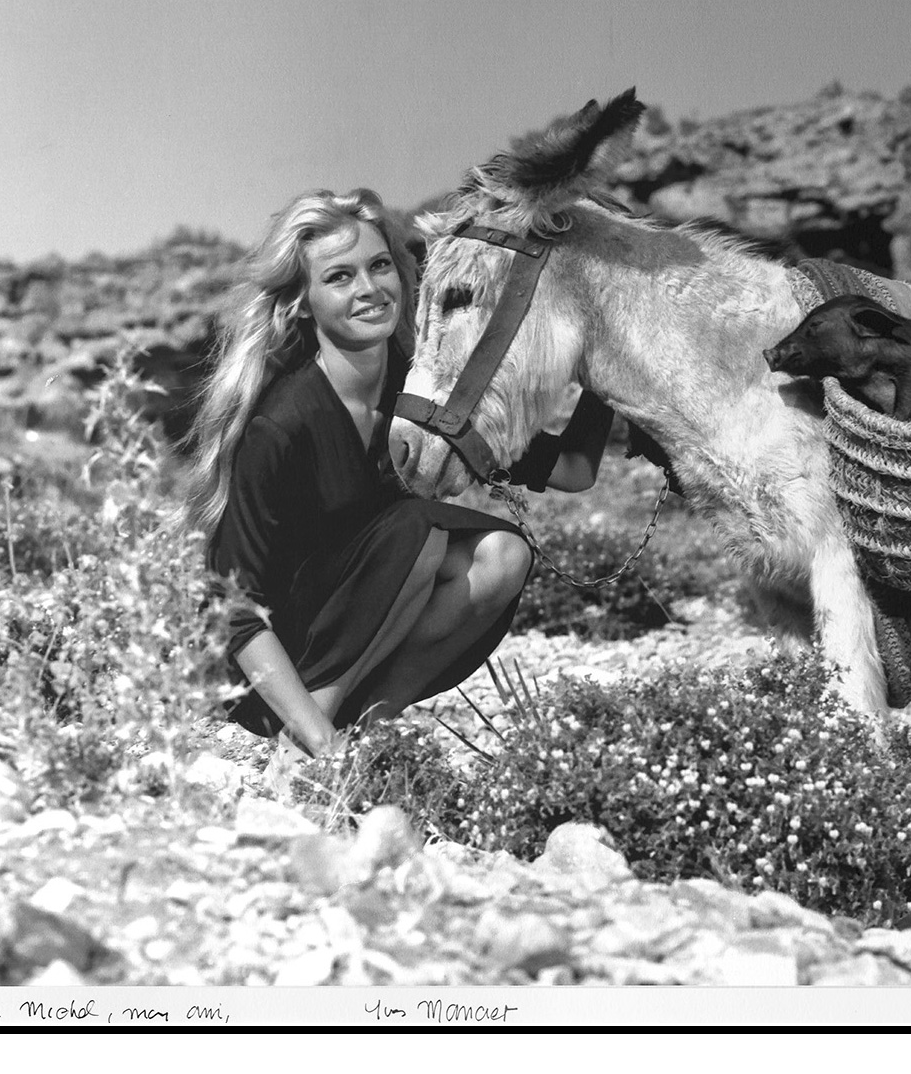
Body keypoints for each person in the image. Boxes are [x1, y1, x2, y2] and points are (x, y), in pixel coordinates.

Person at [186, 188, 613, 757]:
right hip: (272, 679)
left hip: (359, 637)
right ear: (303, 302)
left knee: (502, 555)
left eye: (380, 265)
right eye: (339, 277)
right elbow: (231, 609)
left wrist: (611, 364)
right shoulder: (281, 425)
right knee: (419, 530)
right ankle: (318, 739)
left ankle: (370, 731)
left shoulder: (422, 396)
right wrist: (312, 726)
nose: (369, 289)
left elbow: (574, 470)